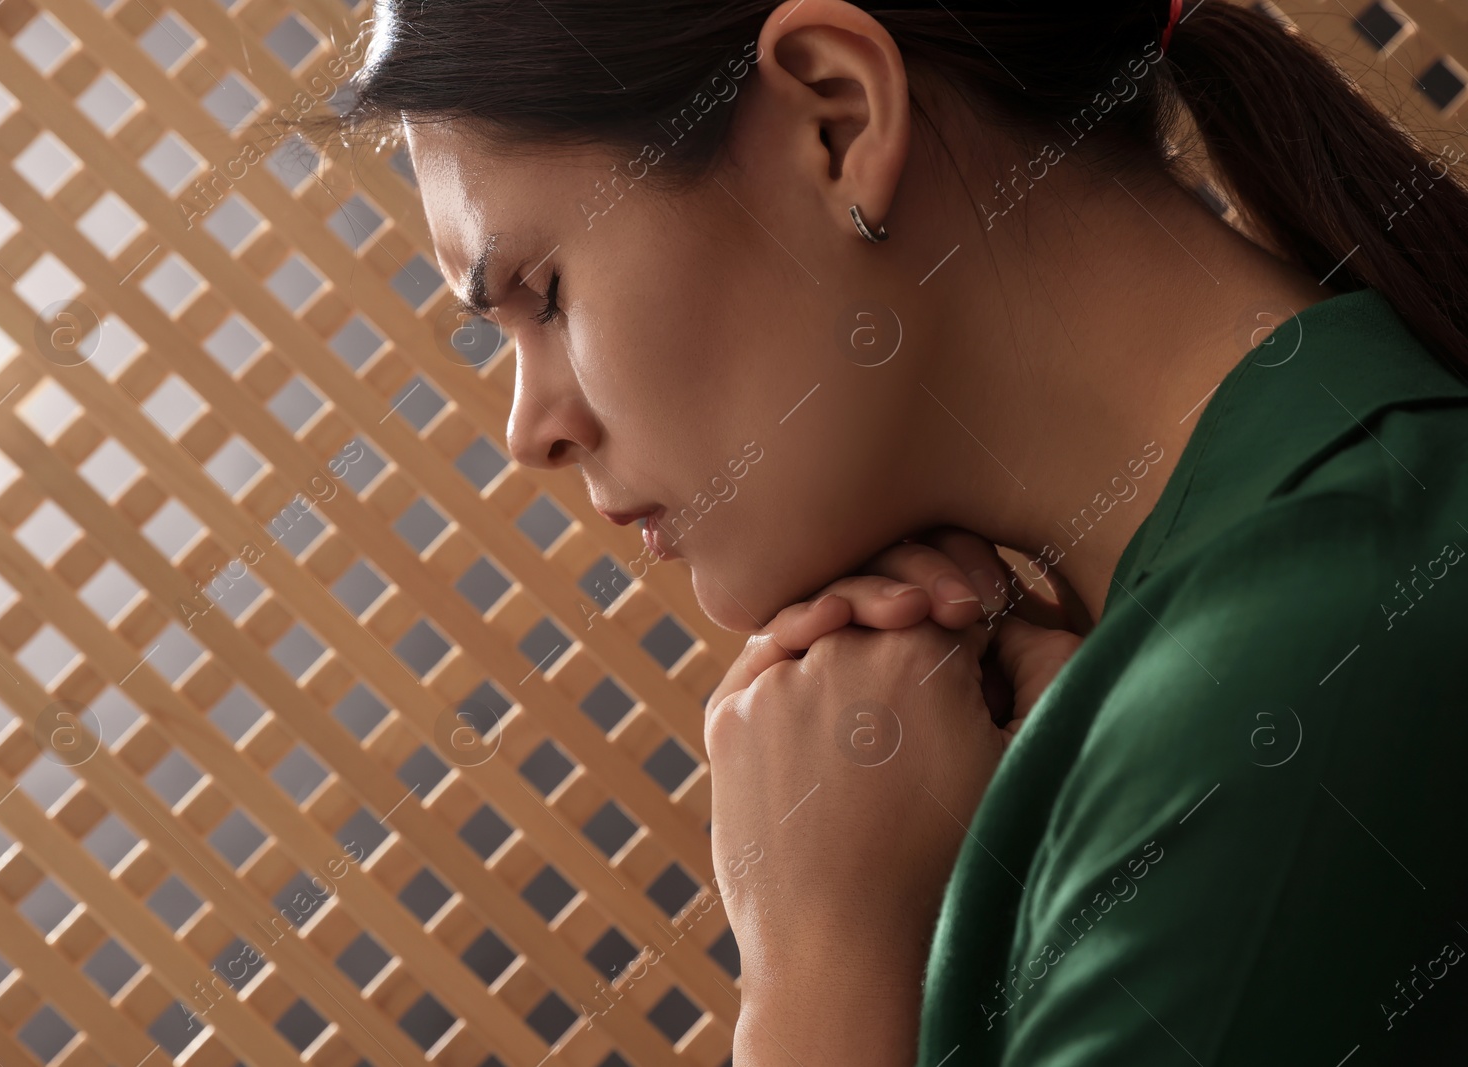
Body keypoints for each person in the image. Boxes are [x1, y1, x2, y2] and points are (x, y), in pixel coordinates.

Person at [340, 0, 1468, 1062]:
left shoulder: (1279, 695)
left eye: (542, 293)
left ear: (836, 117)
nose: (529, 430)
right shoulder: (1255, 605)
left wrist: (820, 974)